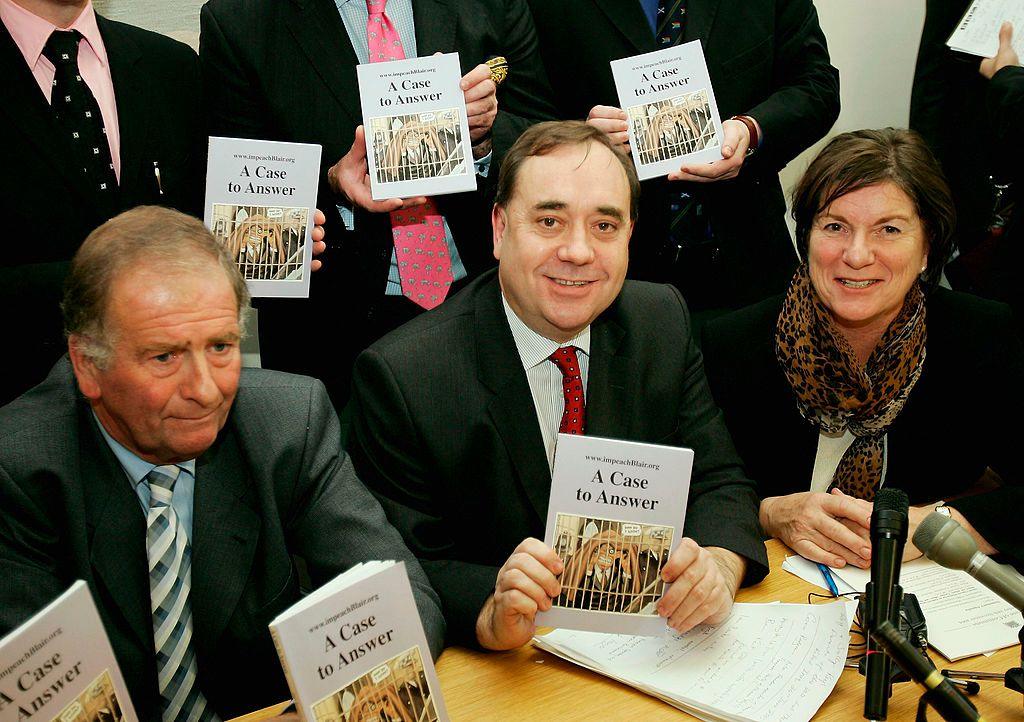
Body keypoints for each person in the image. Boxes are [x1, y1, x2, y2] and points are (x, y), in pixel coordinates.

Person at [0, 207, 445, 721]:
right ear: (87, 365)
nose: (205, 390)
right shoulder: (18, 469)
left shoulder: (286, 424)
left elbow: (403, 599)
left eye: (220, 347)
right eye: (164, 357)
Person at [347, 121, 769, 651]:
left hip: (649, 650)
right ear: (499, 230)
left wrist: (720, 568)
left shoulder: (662, 320)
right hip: (501, 671)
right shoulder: (404, 376)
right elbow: (393, 567)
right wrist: (488, 607)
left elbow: (719, 481)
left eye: (605, 227)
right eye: (549, 221)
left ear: (630, 237)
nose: (578, 251)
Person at [200, 0, 558, 408]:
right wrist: (332, 183)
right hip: (341, 326)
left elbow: (544, 135)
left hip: (489, 292)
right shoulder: (240, 21)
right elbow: (244, 199)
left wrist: (484, 136)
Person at [701, 129, 1024, 571]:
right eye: (835, 226)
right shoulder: (730, 344)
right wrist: (769, 514)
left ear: (928, 246)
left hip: (931, 597)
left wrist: (940, 526)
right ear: (806, 236)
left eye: (888, 229)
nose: (856, 255)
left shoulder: (980, 336)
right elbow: (686, 491)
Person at [526, 0, 840, 312]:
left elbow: (815, 85)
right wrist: (581, 136)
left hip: (747, 269)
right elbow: (522, 113)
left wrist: (751, 130)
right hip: (611, 281)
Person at [0, 0, 204, 405]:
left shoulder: (174, 67)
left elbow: (212, 222)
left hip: (173, 403)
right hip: (18, 407)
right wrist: (115, 278)